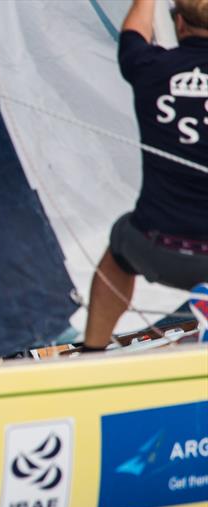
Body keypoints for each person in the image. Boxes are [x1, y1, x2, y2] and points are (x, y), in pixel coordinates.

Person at [83, 0, 208, 350]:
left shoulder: (150, 66)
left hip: (154, 249)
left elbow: (134, 33)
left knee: (119, 247)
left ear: (179, 25)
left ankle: (92, 350)